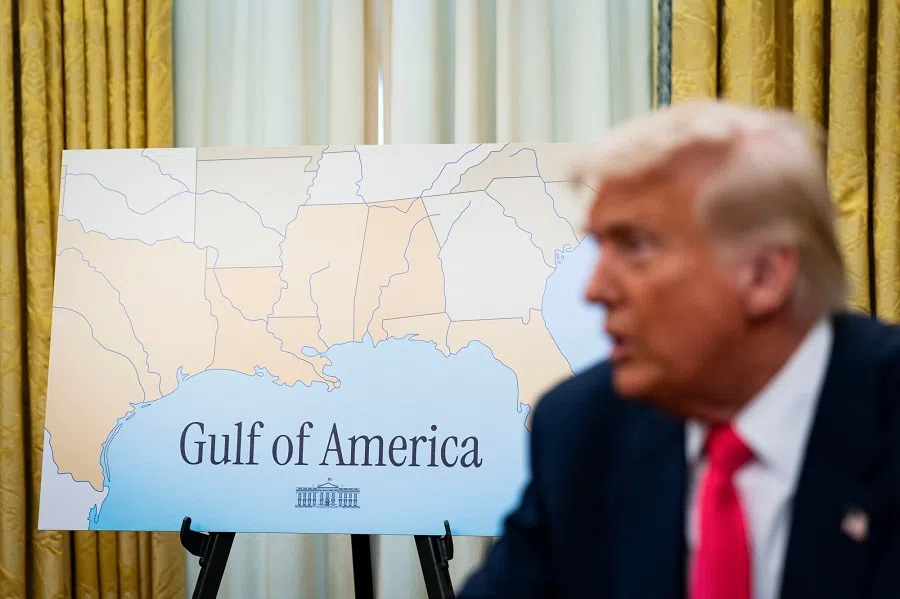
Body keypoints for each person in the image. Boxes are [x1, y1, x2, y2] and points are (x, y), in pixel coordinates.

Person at [457, 100, 900, 599]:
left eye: (635, 246)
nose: (595, 290)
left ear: (764, 275)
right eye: (598, 247)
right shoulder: (583, 430)